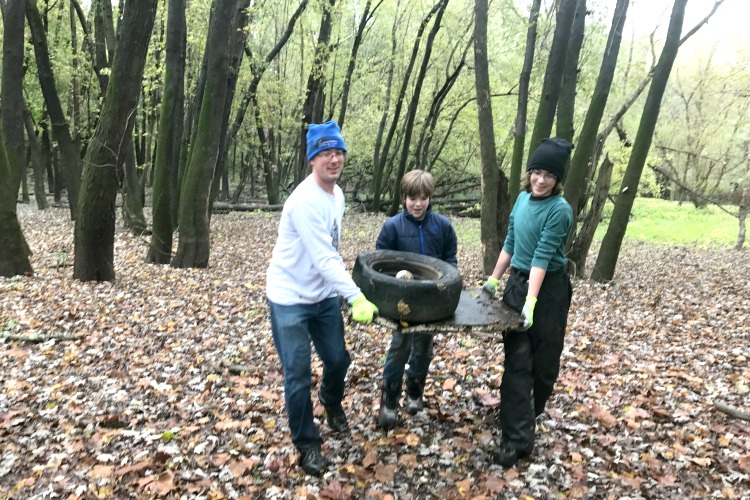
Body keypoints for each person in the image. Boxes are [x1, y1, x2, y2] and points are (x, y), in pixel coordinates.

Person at [266, 120, 379, 476]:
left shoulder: (338, 194)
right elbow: (324, 256)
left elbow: (332, 249)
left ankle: (331, 401)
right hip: (289, 298)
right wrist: (356, 297)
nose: (334, 160)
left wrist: (342, 291)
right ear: (312, 159)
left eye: (338, 153)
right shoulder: (304, 202)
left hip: (323, 295)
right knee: (297, 374)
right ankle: (307, 444)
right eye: (326, 154)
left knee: (338, 360)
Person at [482, 138, 574, 467]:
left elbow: (542, 256)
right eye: (537, 171)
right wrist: (494, 278)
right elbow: (511, 241)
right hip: (519, 284)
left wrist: (532, 301)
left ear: (557, 180)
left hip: (550, 290)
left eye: (550, 175)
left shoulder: (560, 210)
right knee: (519, 361)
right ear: (529, 173)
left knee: (545, 365)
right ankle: (516, 438)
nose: (541, 180)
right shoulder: (521, 200)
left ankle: (527, 415)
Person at [375, 170, 458, 430]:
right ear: (404, 197)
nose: (418, 204)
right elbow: (379, 262)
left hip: (430, 302)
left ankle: (414, 394)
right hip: (401, 302)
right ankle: (389, 402)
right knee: (400, 347)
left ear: (430, 198)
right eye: (412, 198)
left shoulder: (442, 227)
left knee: (424, 348)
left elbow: (450, 263)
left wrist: (443, 288)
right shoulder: (393, 227)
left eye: (423, 198)